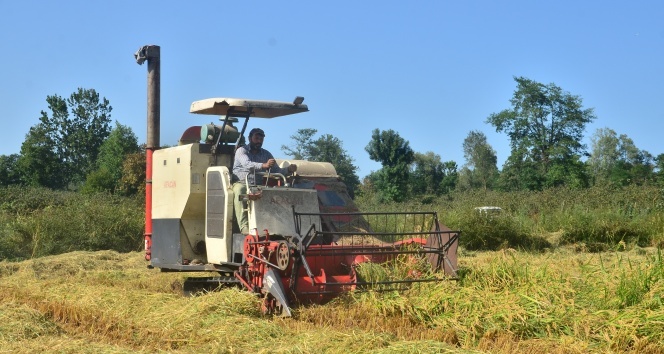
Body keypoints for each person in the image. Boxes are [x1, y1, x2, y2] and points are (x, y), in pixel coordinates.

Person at [231, 128, 297, 234]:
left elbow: (277, 171)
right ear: (250, 138)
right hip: (241, 182)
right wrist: (264, 165)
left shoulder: (266, 154)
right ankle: (244, 226)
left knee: (271, 193)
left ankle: (272, 226)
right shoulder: (241, 151)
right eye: (256, 138)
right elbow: (247, 164)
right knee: (240, 190)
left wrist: (288, 169)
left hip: (258, 185)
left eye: (261, 139)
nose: (259, 141)